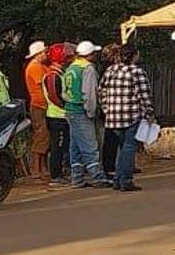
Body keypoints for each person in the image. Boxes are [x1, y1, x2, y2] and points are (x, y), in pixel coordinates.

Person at [99, 44, 154, 192]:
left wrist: (106, 109)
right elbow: (144, 95)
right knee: (129, 147)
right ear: (134, 55)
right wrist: (149, 112)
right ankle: (126, 180)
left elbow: (101, 91)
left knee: (123, 148)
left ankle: (118, 179)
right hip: (131, 115)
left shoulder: (111, 70)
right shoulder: (137, 72)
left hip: (113, 116)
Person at [62, 41, 112, 189]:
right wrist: (92, 111)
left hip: (70, 109)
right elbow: (90, 93)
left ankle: (77, 177)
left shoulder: (71, 67)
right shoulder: (88, 68)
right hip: (81, 110)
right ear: (90, 55)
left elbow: (64, 91)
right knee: (90, 145)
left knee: (76, 146)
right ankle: (97, 177)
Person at [42, 43, 71, 186]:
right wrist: (66, 106)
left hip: (61, 115)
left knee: (62, 145)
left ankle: (61, 172)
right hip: (57, 116)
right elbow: (54, 96)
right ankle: (56, 175)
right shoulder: (52, 75)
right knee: (57, 146)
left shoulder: (59, 73)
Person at [23, 40, 50, 180]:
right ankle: (36, 168)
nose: (47, 54)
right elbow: (42, 86)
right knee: (41, 135)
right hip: (39, 106)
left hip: (43, 106)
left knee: (45, 137)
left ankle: (43, 167)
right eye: (45, 52)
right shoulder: (35, 67)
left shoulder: (41, 66)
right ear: (39, 53)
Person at [99, 44, 122, 178]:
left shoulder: (106, 69)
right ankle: (109, 166)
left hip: (109, 109)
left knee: (112, 139)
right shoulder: (109, 70)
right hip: (112, 109)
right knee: (111, 139)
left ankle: (113, 165)